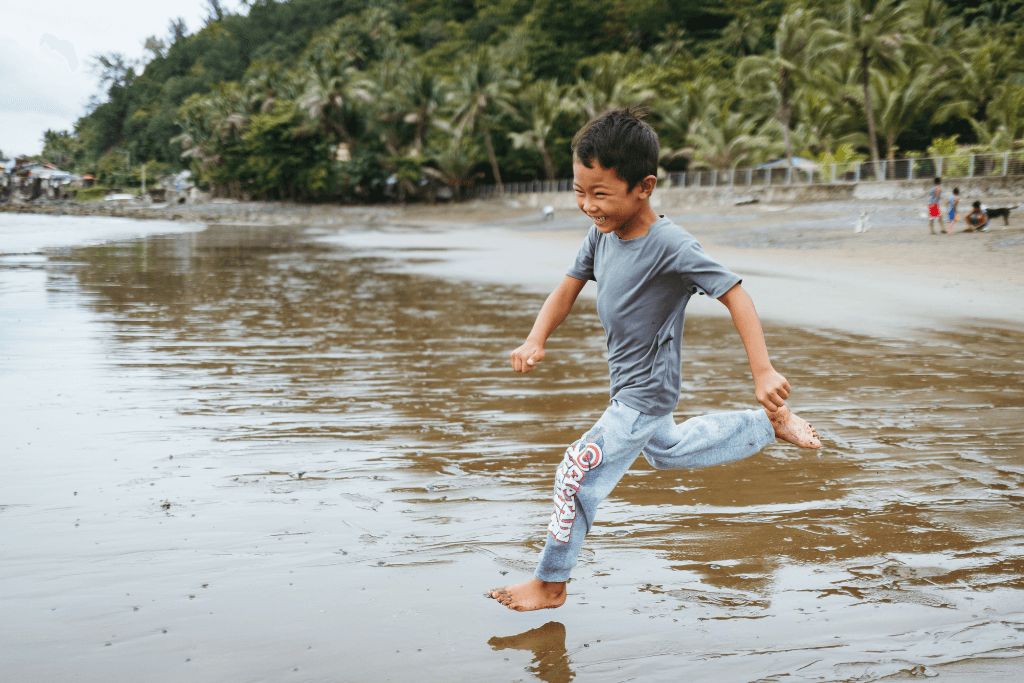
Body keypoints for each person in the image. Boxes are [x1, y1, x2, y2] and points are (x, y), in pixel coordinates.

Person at [488, 106, 821, 613]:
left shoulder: (670, 245)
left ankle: (551, 583)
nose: (587, 205)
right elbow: (566, 289)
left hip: (644, 391)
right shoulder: (600, 235)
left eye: (600, 194)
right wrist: (536, 338)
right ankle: (765, 427)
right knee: (667, 449)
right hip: (632, 387)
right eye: (579, 191)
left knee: (575, 472)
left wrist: (764, 371)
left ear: (644, 186)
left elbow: (736, 294)